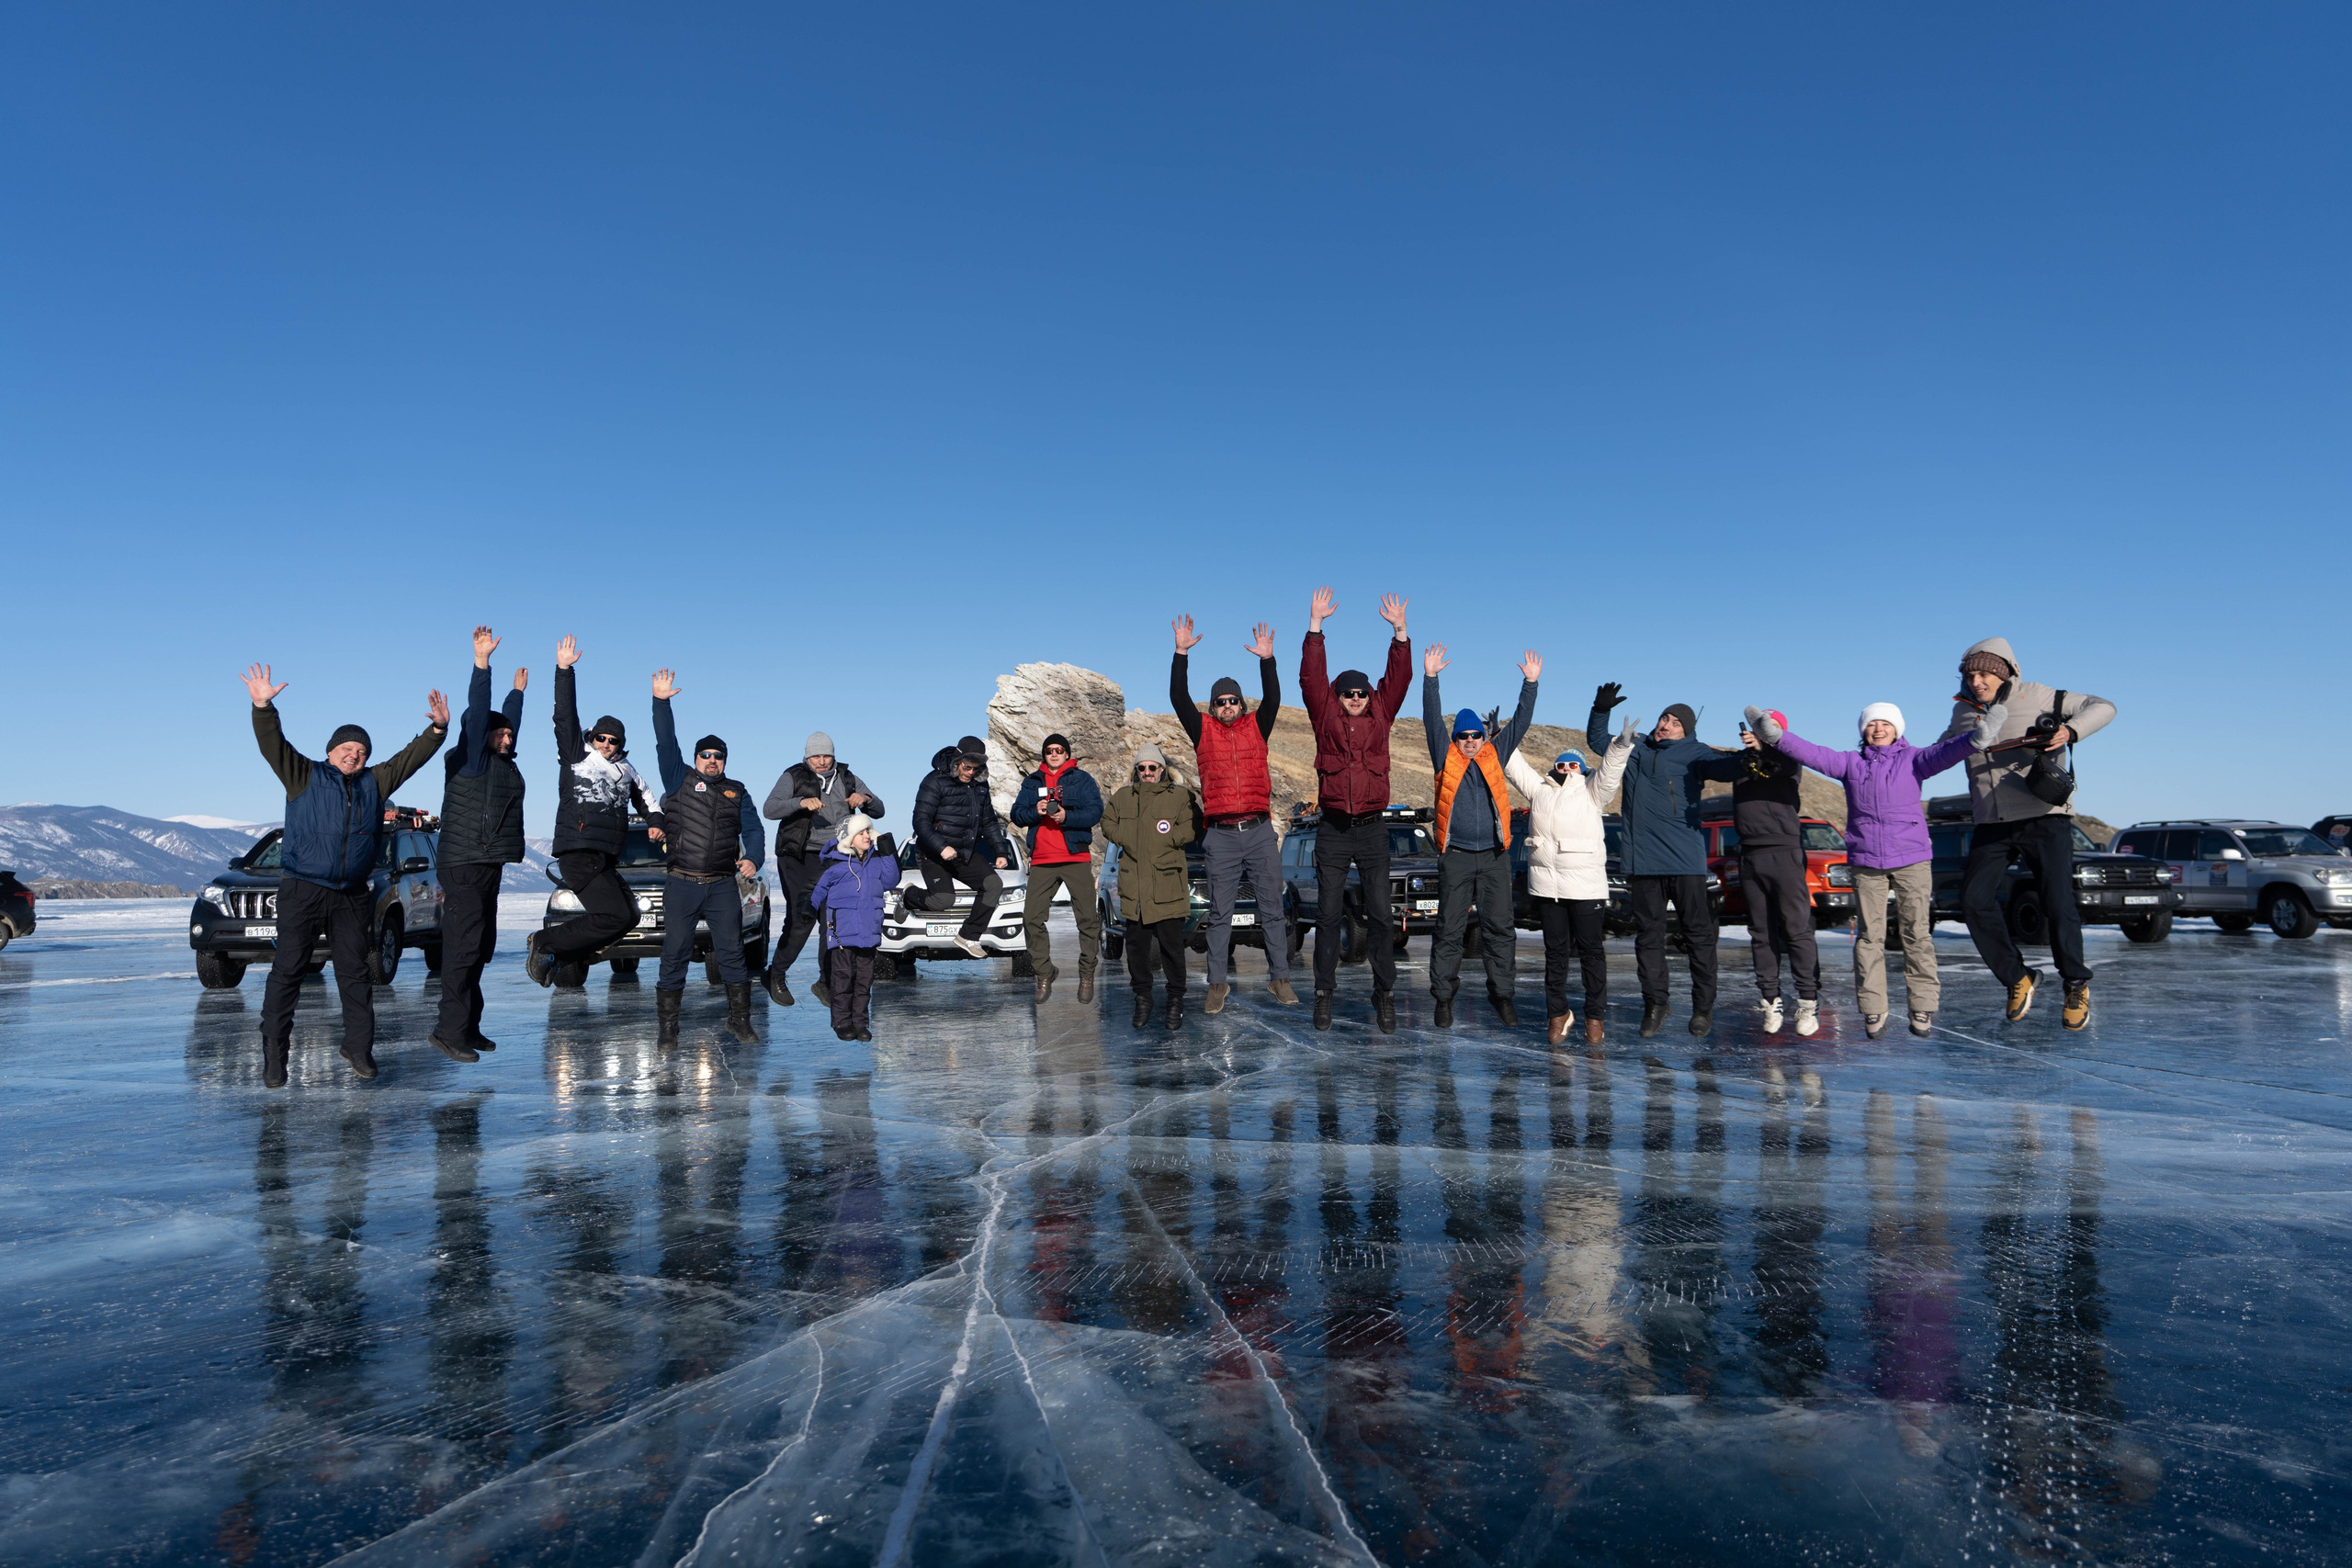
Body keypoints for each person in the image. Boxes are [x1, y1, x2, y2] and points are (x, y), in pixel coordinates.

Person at [240, 661, 447, 1088]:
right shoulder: (304, 775)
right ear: (331, 751)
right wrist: (263, 707)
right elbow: (272, 744)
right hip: (303, 889)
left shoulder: (375, 782)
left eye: (362, 751)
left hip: (352, 894)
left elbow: (410, 760)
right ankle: (275, 1053)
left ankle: (358, 1048)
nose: (354, 755)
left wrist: (437, 732)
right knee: (289, 972)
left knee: (355, 974)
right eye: (347, 749)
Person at [1752, 703, 1992, 1039]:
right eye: (1871, 724)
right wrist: (1777, 737)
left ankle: (1922, 1005)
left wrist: (1977, 738)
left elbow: (1947, 751)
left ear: (1897, 729)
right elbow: (1812, 753)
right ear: (1863, 730)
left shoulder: (1915, 760)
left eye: (1885, 724)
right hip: (1867, 860)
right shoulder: (1850, 763)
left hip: (1912, 858)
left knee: (1917, 934)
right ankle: (1873, 1007)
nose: (1878, 729)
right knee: (1869, 938)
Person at [1939, 638, 2116, 1030]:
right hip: (1991, 820)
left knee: (2056, 901)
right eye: (1970, 674)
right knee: (1974, 900)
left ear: (2003, 672)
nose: (1977, 681)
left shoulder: (2039, 696)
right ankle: (2018, 977)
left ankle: (2075, 983)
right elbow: (1940, 751)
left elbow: (2104, 706)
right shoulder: (1963, 711)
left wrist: (2070, 731)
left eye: (1984, 673)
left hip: (2044, 814)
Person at [1588, 683, 1747, 1038]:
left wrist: (1750, 756)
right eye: (1664, 717)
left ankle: (1703, 1007)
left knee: (1698, 936)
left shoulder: (1695, 752)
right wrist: (1601, 709)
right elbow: (1599, 742)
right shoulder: (1636, 748)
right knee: (1648, 937)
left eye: (1675, 722)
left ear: (1686, 730)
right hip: (1643, 861)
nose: (1665, 724)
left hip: (1685, 862)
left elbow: (1724, 767)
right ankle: (1655, 1003)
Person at [1298, 587, 1413, 1032]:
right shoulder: (1324, 713)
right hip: (1332, 828)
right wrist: (1315, 628)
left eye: (1361, 692)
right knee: (1328, 914)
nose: (1355, 698)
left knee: (1381, 916)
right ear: (1338, 695)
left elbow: (1398, 678)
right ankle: (1323, 994)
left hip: (1370, 830)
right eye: (1347, 692)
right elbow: (1311, 678)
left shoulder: (1381, 713)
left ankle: (1384, 993)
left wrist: (1400, 633)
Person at [1170, 615, 1297, 1013]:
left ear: (1242, 704)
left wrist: (1268, 660)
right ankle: (1217, 984)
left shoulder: (1258, 725)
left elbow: (1274, 697)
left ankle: (1279, 978)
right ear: (1213, 706)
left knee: (1272, 909)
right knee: (1220, 912)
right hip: (1221, 834)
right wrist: (1181, 653)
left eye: (1233, 701)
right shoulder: (1202, 729)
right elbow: (1177, 697)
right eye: (1220, 702)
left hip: (1259, 830)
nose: (1227, 706)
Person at [526, 637, 662, 987]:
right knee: (612, 915)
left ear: (621, 743)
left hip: (604, 857)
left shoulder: (628, 769)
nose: (606, 744)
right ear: (593, 738)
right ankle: (545, 943)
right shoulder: (577, 754)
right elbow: (564, 715)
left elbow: (646, 798)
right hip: (578, 850)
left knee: (629, 916)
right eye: (601, 738)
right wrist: (564, 670)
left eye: (613, 740)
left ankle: (567, 954)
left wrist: (656, 823)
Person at [1421, 644, 1540, 1027]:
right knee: (1449, 930)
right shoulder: (1446, 757)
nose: (1470, 740)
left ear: (1483, 737)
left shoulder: (1494, 754)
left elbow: (1520, 723)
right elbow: (1430, 719)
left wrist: (1530, 684)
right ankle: (1443, 998)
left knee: (1500, 929)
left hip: (1493, 857)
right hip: (1455, 855)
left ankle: (1503, 995)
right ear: (1455, 739)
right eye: (1463, 735)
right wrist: (1431, 679)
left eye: (1475, 735)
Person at [647, 669, 763, 1049]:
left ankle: (739, 1021)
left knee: (732, 953)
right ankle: (668, 1027)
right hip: (682, 882)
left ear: (725, 761)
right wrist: (661, 702)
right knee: (675, 953)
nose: (712, 760)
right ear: (697, 758)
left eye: (718, 756)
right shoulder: (678, 780)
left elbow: (754, 830)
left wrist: (755, 858)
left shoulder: (737, 791)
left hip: (720, 886)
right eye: (706, 755)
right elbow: (666, 744)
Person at [432, 626, 527, 1065]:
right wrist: (483, 664)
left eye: (510, 736)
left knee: (481, 946)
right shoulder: (470, 760)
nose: (507, 739)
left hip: (488, 863)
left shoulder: (500, 760)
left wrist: (516, 696)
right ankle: (448, 1031)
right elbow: (478, 713)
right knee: (463, 948)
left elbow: (502, 723)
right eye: (500, 735)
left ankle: (468, 1026)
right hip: (464, 861)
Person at [1506, 731, 1634, 1045]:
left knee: (1591, 953)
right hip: (1548, 888)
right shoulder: (1540, 790)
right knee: (1555, 954)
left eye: (1573, 765)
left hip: (1586, 888)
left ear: (1582, 769)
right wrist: (1500, 736)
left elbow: (1610, 773)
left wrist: (1619, 746)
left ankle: (1595, 1017)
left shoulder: (1592, 791)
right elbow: (1515, 766)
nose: (1566, 769)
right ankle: (1558, 1014)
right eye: (1561, 764)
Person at [761, 732, 884, 1009]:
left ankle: (825, 981)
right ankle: (775, 975)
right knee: (802, 918)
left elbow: (880, 808)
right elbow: (770, 809)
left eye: (826, 755)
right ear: (807, 757)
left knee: (833, 920)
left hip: (837, 857)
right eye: (815, 756)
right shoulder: (793, 776)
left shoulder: (847, 777)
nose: (821, 761)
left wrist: (864, 799)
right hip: (799, 856)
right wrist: (800, 803)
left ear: (833, 755)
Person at [1721, 710, 1824, 1038]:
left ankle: (1807, 1001)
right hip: (1750, 854)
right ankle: (1770, 999)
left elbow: (1785, 765)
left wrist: (1765, 750)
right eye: (1757, 729)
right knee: (1761, 933)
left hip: (1784, 853)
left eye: (1768, 730)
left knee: (1797, 930)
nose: (1760, 734)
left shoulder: (1790, 760)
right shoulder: (1742, 761)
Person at [1102, 744, 1202, 1031]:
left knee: (1172, 947)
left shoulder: (1179, 796)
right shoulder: (1123, 797)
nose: (1147, 772)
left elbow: (1193, 825)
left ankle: (1175, 1002)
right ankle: (1143, 998)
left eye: (1152, 767)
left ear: (1162, 770)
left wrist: (1169, 840)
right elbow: (1107, 822)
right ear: (1137, 771)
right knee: (1136, 947)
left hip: (1166, 883)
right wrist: (1125, 837)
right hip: (1135, 886)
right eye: (1142, 768)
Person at [1010, 733, 1106, 1002]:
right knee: (1031, 919)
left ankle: (1086, 974)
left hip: (1075, 856)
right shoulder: (1032, 782)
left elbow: (1095, 812)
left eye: (1059, 750)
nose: (1054, 753)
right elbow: (1017, 814)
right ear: (1044, 754)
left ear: (1066, 754)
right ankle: (1044, 973)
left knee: (1087, 919)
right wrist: (1035, 811)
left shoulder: (1082, 779)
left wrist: (1066, 816)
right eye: (1049, 750)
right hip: (1042, 859)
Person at [910, 739, 1012, 955]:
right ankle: (908, 896)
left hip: (962, 852)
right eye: (967, 767)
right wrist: (941, 846)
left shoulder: (980, 786)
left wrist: (1000, 852)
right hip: (932, 853)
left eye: (977, 769)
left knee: (993, 884)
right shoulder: (935, 781)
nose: (971, 773)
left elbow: (989, 821)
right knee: (944, 900)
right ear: (958, 761)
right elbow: (920, 821)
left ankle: (968, 936)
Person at [809, 813, 893, 1042]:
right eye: (861, 832)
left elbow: (891, 880)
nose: (867, 835)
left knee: (865, 981)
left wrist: (888, 852)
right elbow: (820, 890)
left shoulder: (876, 863)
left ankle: (861, 1023)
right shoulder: (837, 866)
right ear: (848, 839)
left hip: (868, 932)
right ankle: (842, 1022)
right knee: (843, 979)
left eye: (868, 831)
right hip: (842, 933)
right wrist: (809, 908)